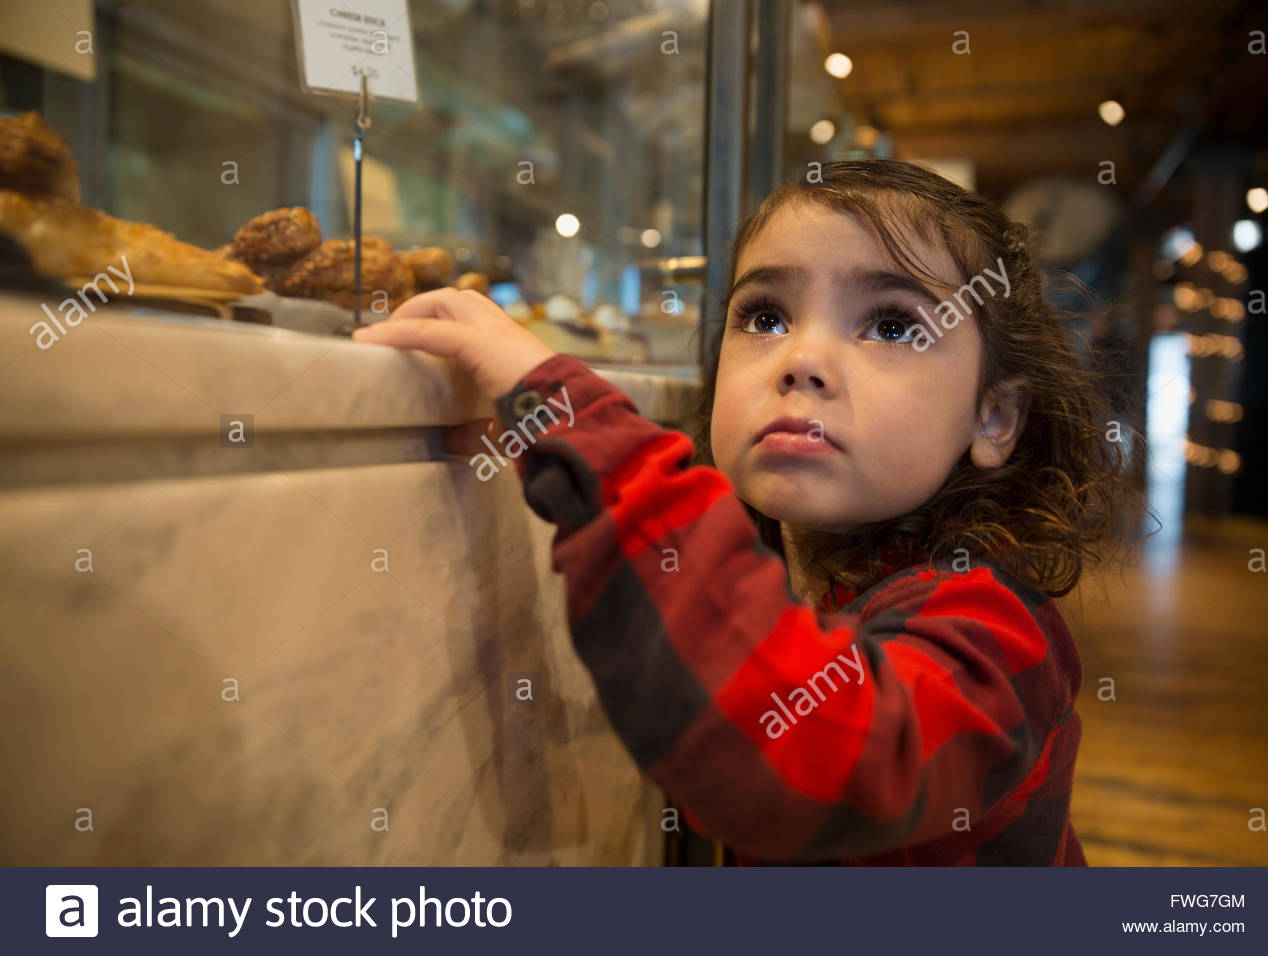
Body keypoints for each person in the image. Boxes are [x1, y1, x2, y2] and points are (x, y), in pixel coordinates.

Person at [351, 159, 1131, 865]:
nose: (802, 361)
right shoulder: (790, 560)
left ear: (993, 419)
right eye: (765, 317)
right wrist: (557, 448)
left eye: (892, 324)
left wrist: (593, 437)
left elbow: (805, 756)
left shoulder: (996, 628)